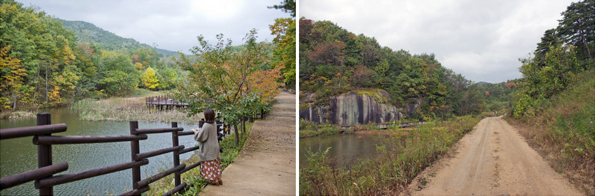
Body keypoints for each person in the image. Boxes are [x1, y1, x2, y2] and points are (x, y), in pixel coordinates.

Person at [192, 109, 222, 186]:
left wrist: (195, 131)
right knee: (215, 163)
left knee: (209, 164)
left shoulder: (206, 125)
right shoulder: (214, 123)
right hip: (215, 146)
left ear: (206, 116)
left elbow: (201, 137)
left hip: (209, 148)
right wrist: (201, 130)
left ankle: (214, 180)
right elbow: (207, 132)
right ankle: (218, 178)